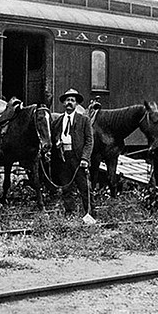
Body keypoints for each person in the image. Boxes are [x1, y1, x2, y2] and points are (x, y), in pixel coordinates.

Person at [51, 88, 95, 223]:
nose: (69, 103)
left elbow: (89, 141)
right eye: (67, 100)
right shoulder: (57, 122)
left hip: (79, 159)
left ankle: (89, 214)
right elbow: (53, 139)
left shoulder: (84, 120)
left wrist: (85, 158)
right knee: (66, 187)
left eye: (72, 100)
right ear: (63, 103)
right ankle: (69, 213)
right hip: (63, 158)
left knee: (85, 187)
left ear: (76, 104)